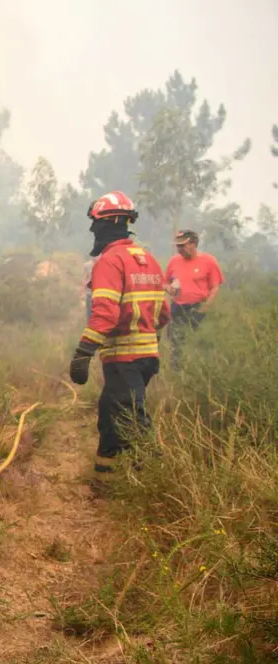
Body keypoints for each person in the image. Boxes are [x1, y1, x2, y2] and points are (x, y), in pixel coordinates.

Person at [68, 191, 170, 476]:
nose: (92, 229)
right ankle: (105, 479)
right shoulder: (148, 260)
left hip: (124, 358)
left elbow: (105, 313)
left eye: (96, 223)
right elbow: (164, 314)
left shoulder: (110, 261)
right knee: (110, 414)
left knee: (132, 420)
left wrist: (83, 353)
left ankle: (156, 480)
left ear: (111, 222)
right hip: (147, 356)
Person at [164, 229, 223, 367]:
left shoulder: (208, 261)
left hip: (198, 307)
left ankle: (201, 370)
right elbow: (164, 282)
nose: (180, 249)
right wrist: (168, 288)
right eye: (178, 246)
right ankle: (177, 371)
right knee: (176, 343)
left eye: (183, 245)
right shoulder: (174, 261)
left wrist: (203, 310)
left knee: (199, 343)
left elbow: (215, 287)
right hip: (178, 307)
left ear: (194, 243)